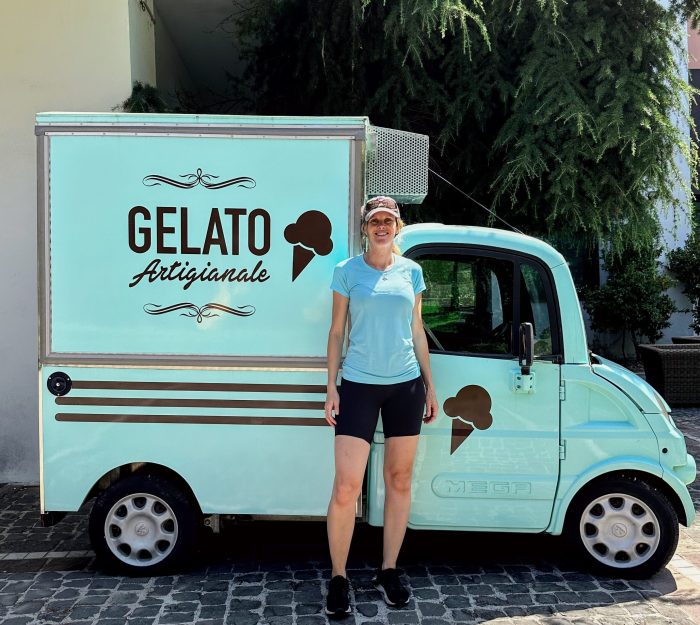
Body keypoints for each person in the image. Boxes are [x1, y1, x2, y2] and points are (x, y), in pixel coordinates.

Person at [323, 195, 439, 617]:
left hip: (405, 386)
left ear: (398, 226)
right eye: (375, 221)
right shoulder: (346, 272)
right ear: (365, 228)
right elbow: (337, 332)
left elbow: (418, 330)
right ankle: (338, 577)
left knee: (399, 480)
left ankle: (388, 570)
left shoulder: (412, 272)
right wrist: (331, 387)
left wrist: (429, 386)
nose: (382, 227)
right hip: (357, 385)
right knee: (346, 487)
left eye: (389, 220)